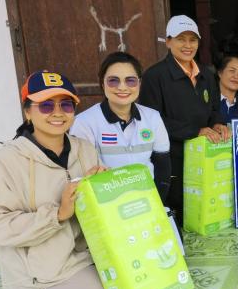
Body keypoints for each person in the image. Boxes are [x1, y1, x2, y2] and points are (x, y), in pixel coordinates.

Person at [0, 71, 110, 289]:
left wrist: (101, 185)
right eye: (46, 106)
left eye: (66, 105)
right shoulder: (8, 159)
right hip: (44, 264)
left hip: (86, 252)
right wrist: (58, 214)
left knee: (137, 277)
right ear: (28, 112)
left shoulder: (84, 149)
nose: (58, 113)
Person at [139, 15, 230, 219]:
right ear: (168, 41)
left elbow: (214, 108)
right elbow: (151, 121)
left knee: (204, 211)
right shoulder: (155, 76)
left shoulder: (206, 74)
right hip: (172, 160)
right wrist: (195, 131)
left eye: (193, 40)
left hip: (204, 158)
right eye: (181, 39)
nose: (188, 45)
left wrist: (218, 123)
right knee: (179, 213)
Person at [71, 52, 171, 201]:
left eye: (130, 81)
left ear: (139, 83)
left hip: (148, 201)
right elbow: (82, 175)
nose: (122, 87)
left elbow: (162, 167)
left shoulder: (153, 117)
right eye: (113, 81)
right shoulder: (84, 122)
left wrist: (157, 201)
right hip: (106, 204)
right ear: (102, 83)